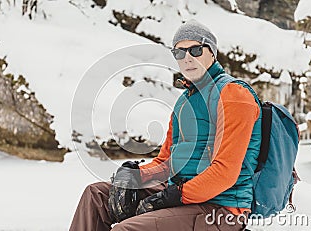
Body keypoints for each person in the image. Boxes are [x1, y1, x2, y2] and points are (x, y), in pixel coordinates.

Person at [70, 19, 261, 231]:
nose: (187, 58)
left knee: (126, 229)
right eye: (179, 53)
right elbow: (166, 162)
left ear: (212, 53)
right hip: (181, 193)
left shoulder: (234, 94)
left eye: (195, 50)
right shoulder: (184, 101)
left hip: (221, 209)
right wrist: (134, 177)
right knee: (96, 197)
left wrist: (176, 195)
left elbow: (225, 173)